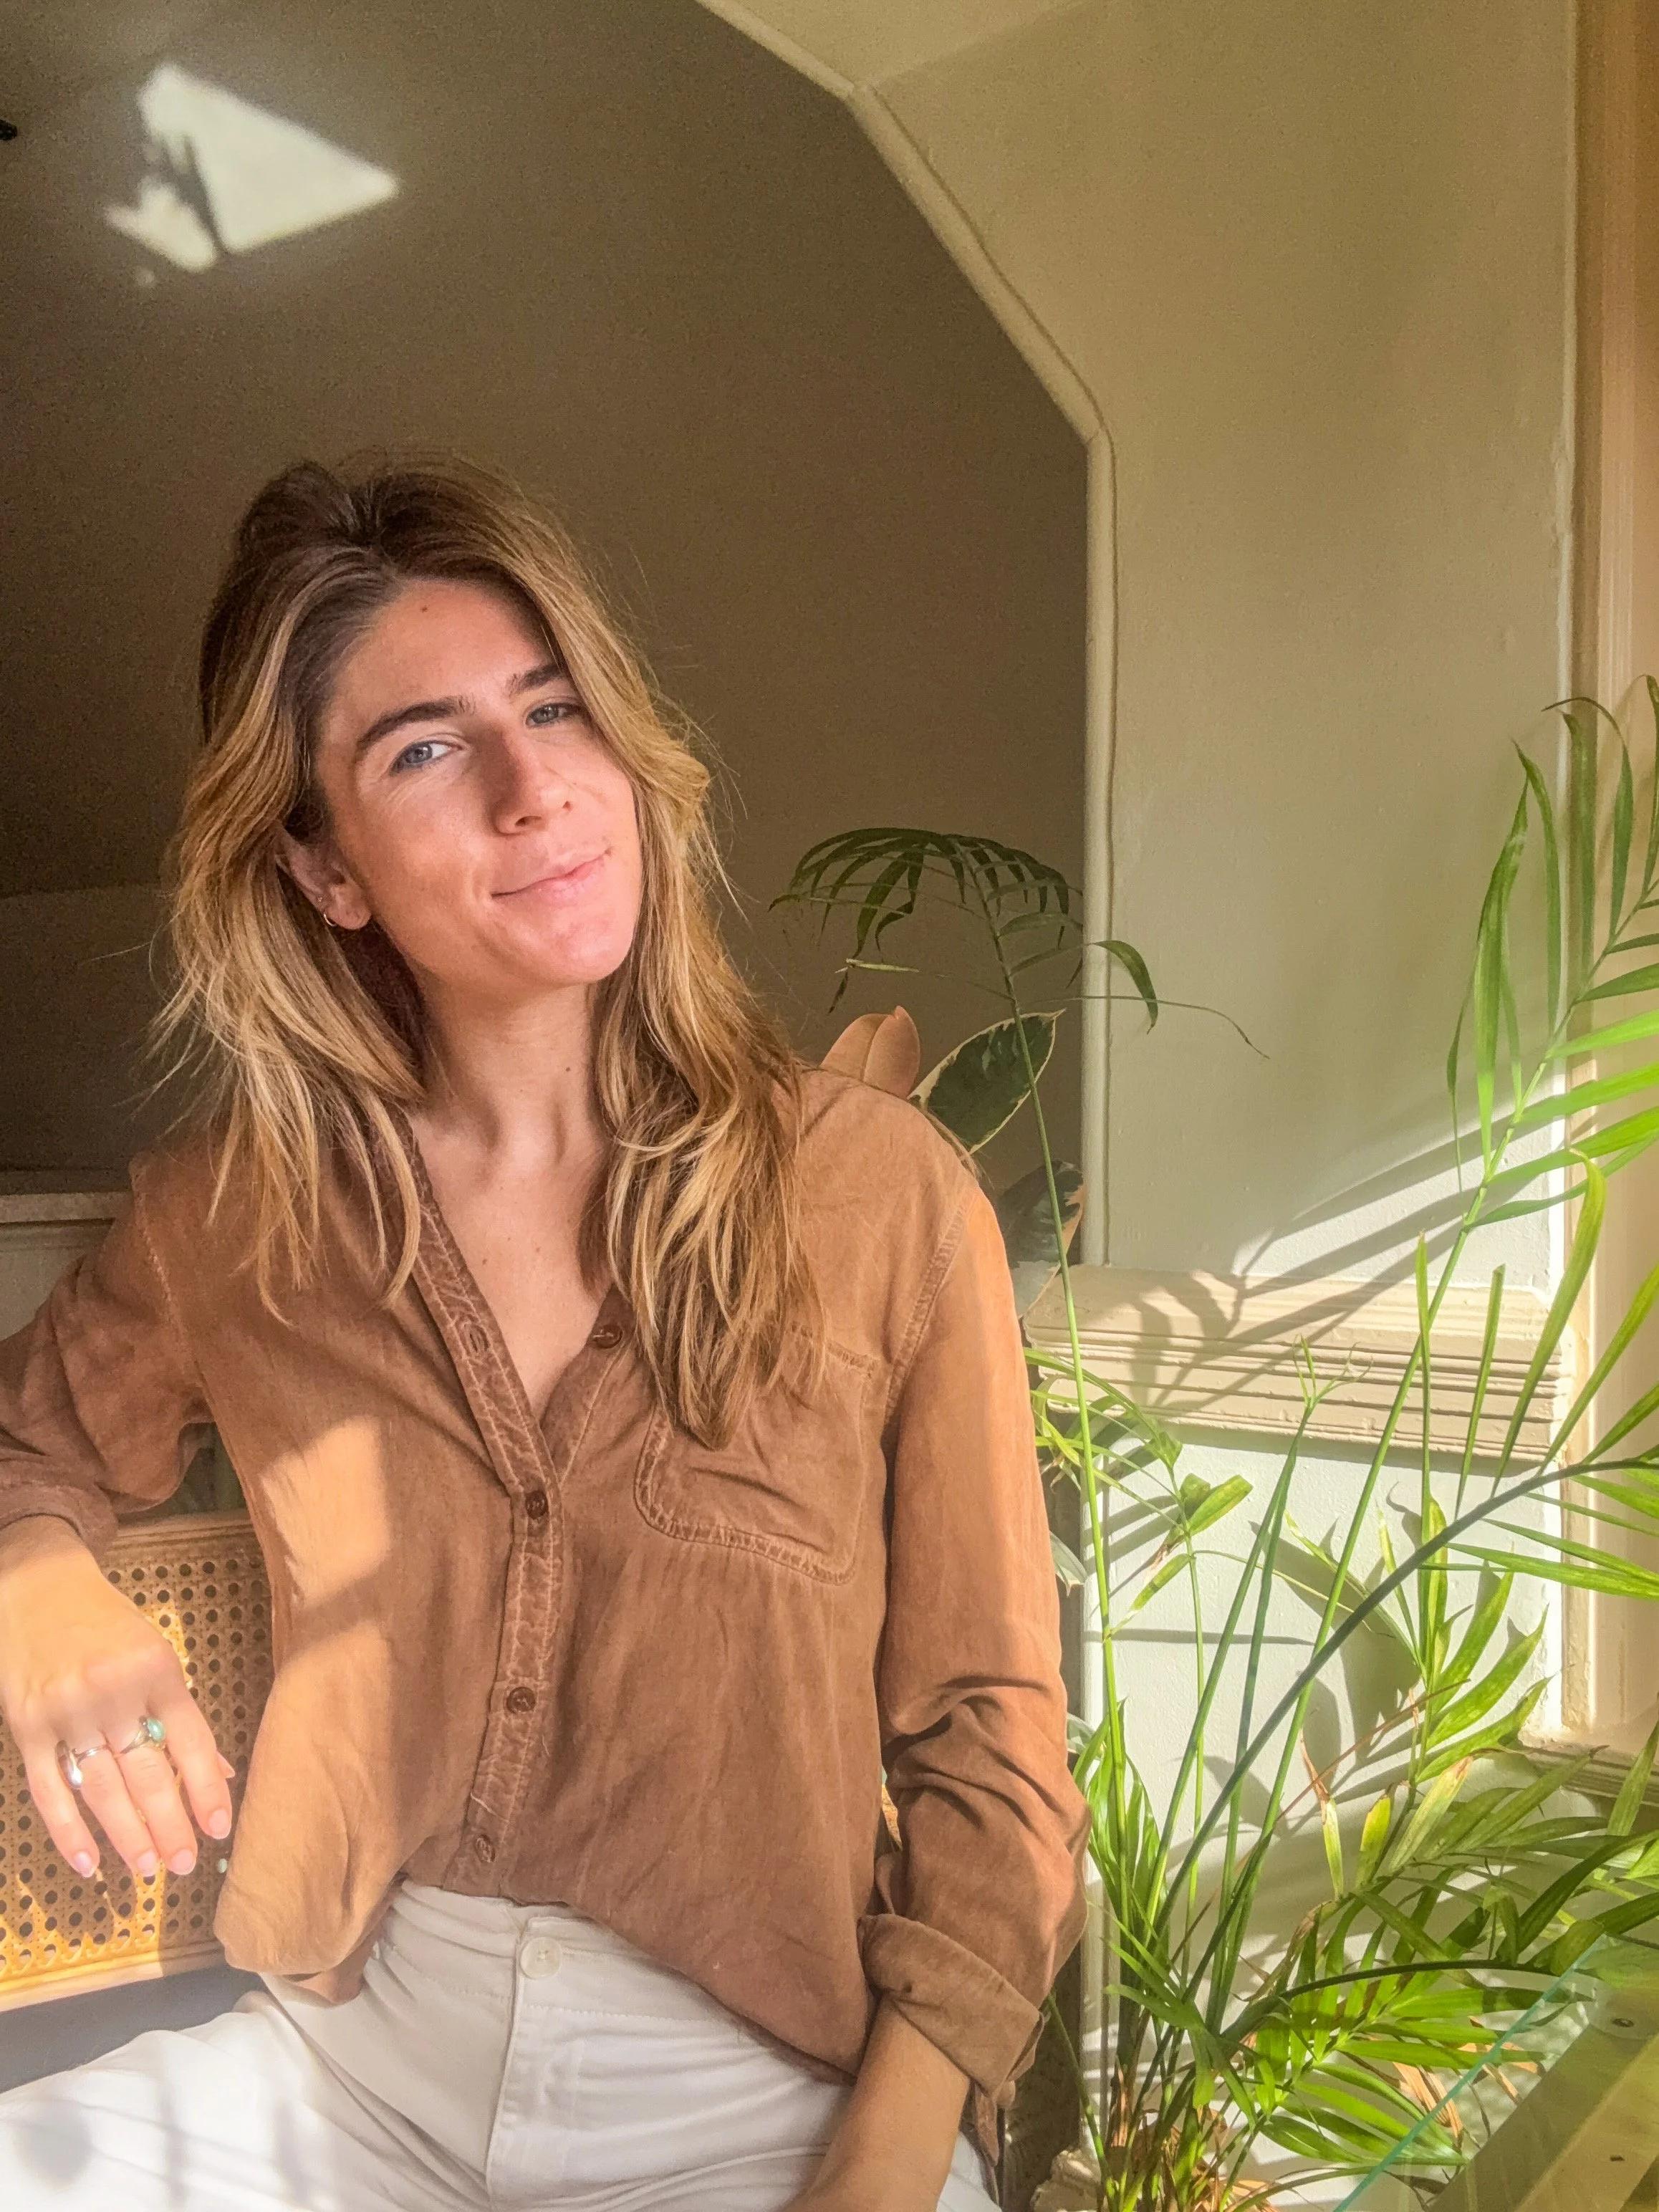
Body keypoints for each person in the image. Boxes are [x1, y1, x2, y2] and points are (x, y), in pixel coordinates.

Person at [0, 456, 1089, 2211]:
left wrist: (886, 2162)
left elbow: (985, 1732)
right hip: (341, 2076)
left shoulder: (879, 1196)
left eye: (556, 704)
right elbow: (26, 1443)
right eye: (424, 748)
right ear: (328, 871)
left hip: (759, 2107)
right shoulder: (247, 1213)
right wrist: (35, 1582)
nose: (534, 788)